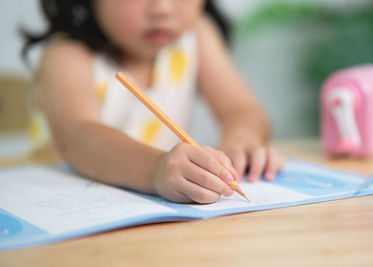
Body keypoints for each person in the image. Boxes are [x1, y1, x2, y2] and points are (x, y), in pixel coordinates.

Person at [22, 0, 285, 204]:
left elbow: (241, 109)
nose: (163, 9)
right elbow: (78, 138)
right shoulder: (66, 55)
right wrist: (155, 170)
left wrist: (240, 144)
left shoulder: (195, 36)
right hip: (69, 214)